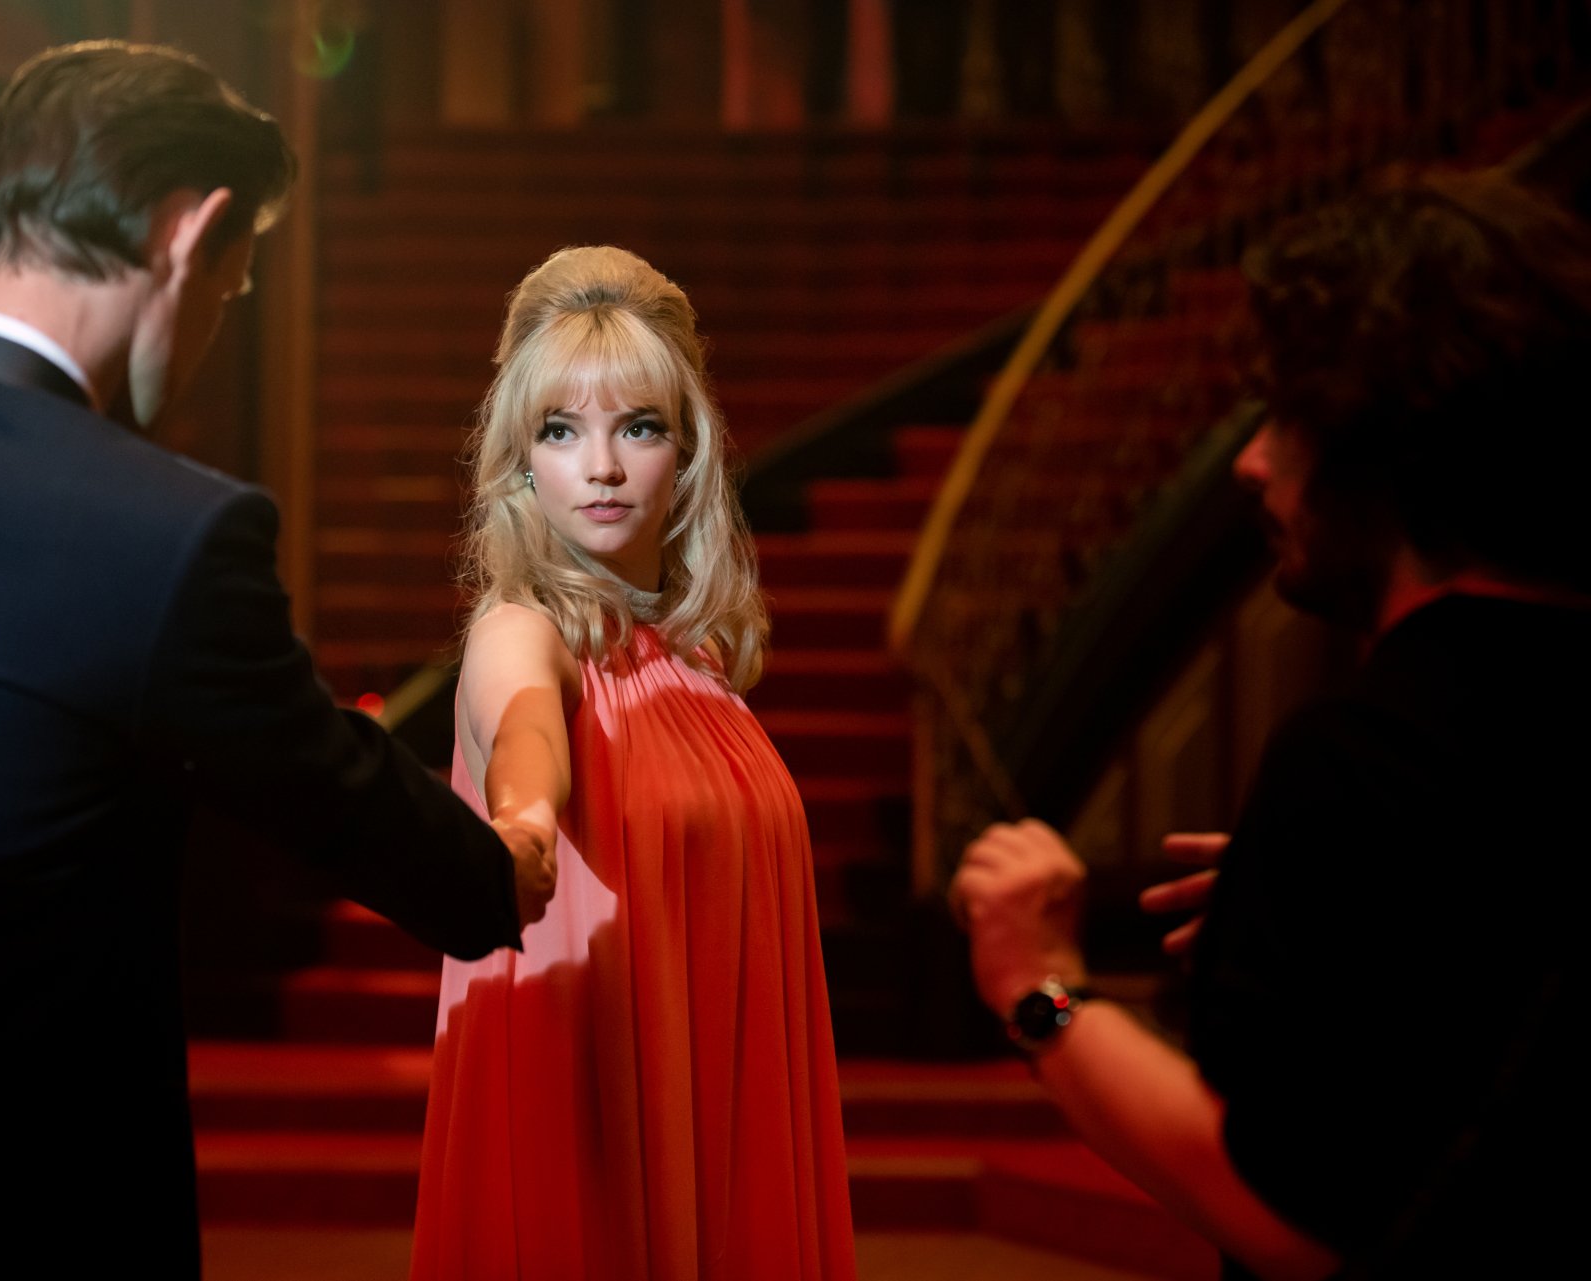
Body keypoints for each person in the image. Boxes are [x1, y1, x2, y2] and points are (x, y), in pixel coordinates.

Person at [0, 40, 553, 1276]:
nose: (207, 331)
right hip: (45, 1211)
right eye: (232, 291)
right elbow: (348, 802)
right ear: (191, 238)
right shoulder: (169, 533)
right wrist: (503, 861)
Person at [951, 168, 1591, 1280]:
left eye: (1286, 418)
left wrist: (1038, 981)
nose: (1252, 461)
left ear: (1375, 451)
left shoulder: (1362, 759)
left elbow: (1293, 1217)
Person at [409, 246, 858, 1280]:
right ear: (521, 462)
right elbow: (525, 731)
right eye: (560, 432)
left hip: (721, 1123)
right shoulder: (519, 630)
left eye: (638, 427)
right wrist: (522, 820)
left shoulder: (698, 662)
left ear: (688, 449)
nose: (602, 467)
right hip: (594, 1123)